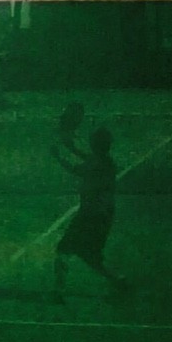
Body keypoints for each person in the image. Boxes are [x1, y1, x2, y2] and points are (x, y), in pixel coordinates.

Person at [51, 126, 127, 296]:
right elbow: (88, 158)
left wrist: (58, 157)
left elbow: (75, 169)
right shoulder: (106, 161)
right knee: (90, 256)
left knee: (64, 249)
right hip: (103, 215)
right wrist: (71, 147)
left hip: (89, 214)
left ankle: (59, 290)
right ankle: (118, 279)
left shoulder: (96, 164)